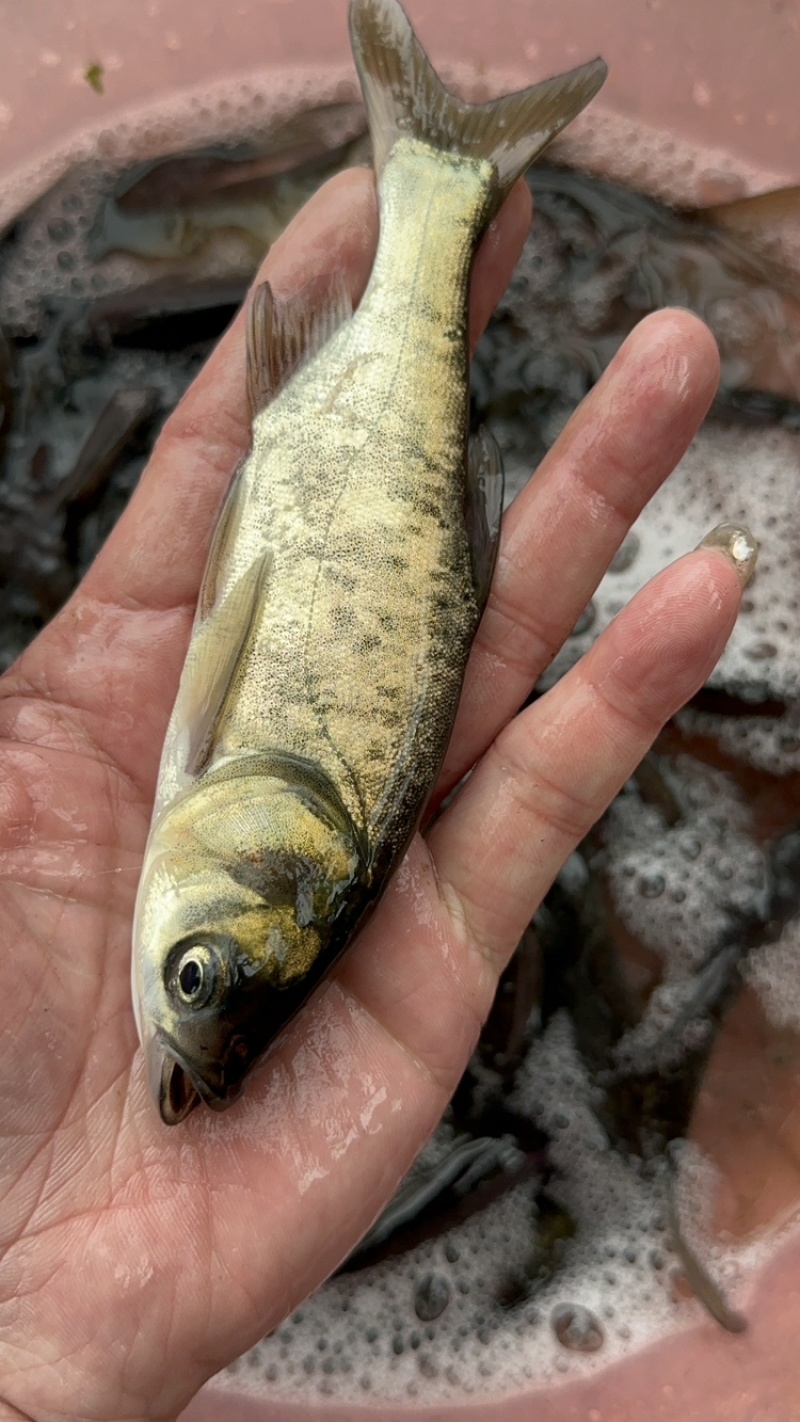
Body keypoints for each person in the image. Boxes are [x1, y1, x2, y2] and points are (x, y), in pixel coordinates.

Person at [0, 166, 752, 1422]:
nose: (176, 998)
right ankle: (438, 186)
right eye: (197, 974)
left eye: (198, 975)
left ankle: (432, 182)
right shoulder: (219, 830)